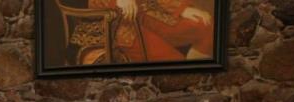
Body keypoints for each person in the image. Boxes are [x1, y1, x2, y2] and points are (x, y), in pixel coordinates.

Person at [85, 0, 213, 62]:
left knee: (204, 26)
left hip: (147, 11)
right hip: (119, 24)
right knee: (175, 63)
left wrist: (181, 9)